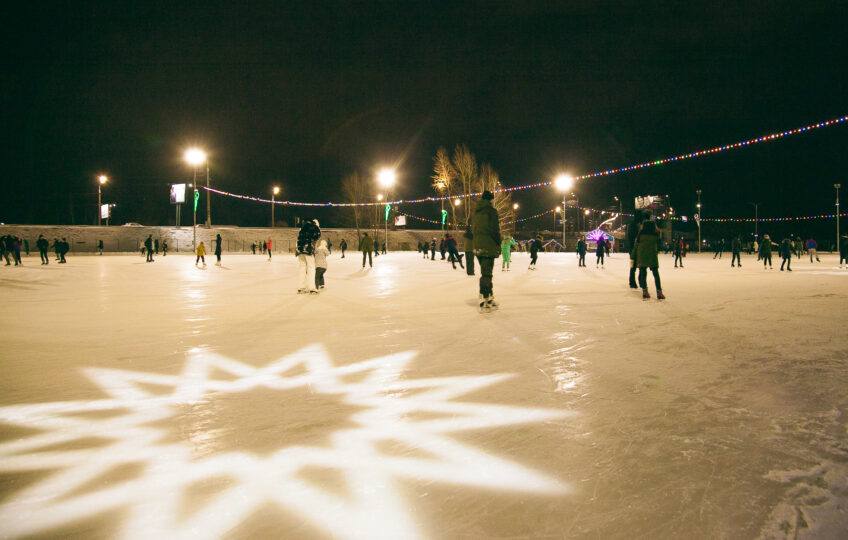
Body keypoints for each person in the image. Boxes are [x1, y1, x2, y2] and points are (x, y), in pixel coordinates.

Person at [473, 191, 502, 312]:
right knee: (487, 274)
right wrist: (498, 242)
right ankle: (485, 300)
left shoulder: (476, 212)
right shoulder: (491, 211)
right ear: (490, 200)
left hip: (478, 245)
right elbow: (495, 230)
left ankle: (488, 297)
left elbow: (474, 229)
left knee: (486, 272)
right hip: (488, 245)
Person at [635, 220, 664, 300]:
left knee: (643, 274)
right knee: (656, 274)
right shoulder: (655, 234)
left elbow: (636, 243)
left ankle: (645, 292)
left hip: (642, 255)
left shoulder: (640, 234)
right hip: (652, 255)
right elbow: (660, 243)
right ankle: (659, 292)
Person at [295, 219, 321, 294]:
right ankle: (312, 288)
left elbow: (298, 239)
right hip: (308, 250)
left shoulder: (303, 228)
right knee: (311, 268)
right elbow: (317, 237)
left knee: (302, 268)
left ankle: (301, 288)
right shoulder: (314, 227)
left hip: (300, 250)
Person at [626, 211, 647, 288]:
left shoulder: (634, 224)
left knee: (635, 267)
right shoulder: (635, 225)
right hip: (635, 249)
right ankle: (634, 282)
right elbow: (634, 238)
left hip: (634, 249)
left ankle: (635, 282)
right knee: (637, 266)